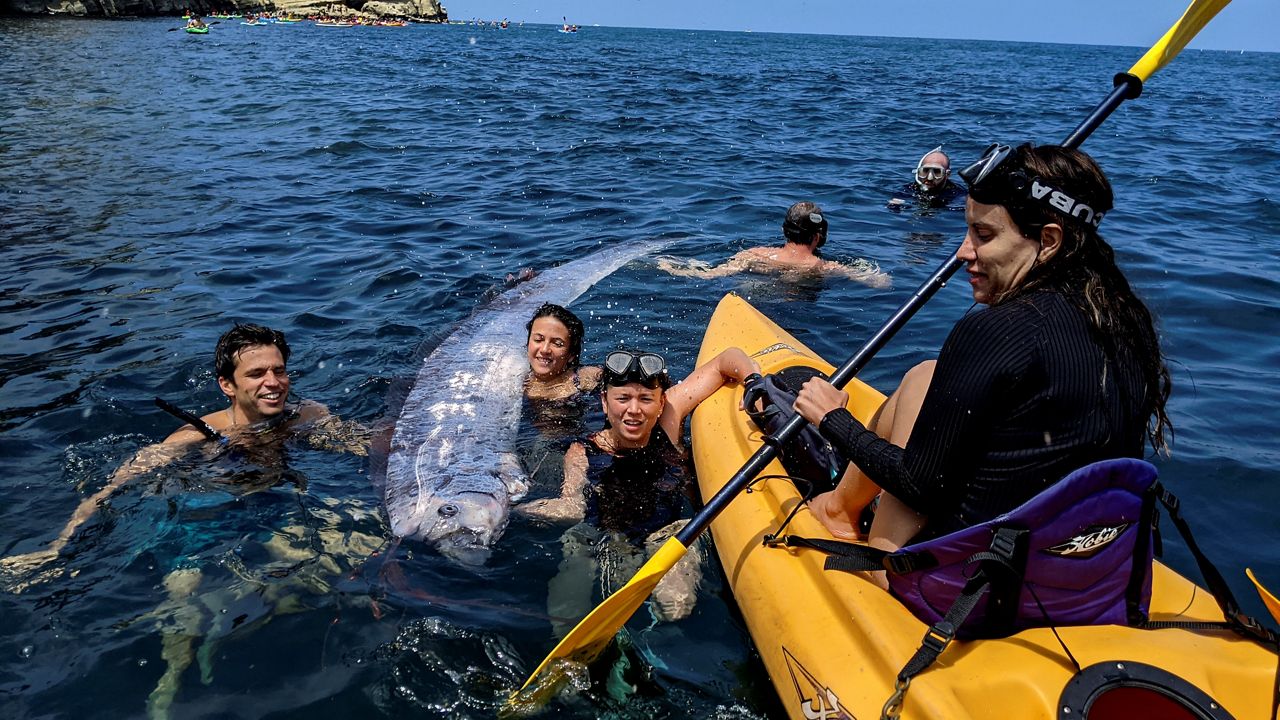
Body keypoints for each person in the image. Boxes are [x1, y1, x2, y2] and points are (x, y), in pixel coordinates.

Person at [793, 144, 1172, 587]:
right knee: (924, 375)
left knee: (913, 450)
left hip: (974, 590)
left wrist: (834, 420)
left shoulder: (998, 329)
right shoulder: (1125, 320)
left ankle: (872, 545)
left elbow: (919, 486)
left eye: (984, 235)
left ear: (1048, 241)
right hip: (1087, 575)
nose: (962, 253)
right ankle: (841, 508)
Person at [1, 323, 373, 718]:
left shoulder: (307, 415)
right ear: (227, 385)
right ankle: (172, 678)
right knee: (185, 604)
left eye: (279, 370)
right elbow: (110, 488)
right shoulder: (193, 438)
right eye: (256, 374)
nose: (273, 382)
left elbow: (362, 442)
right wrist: (58, 547)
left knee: (364, 537)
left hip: (273, 507)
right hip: (202, 519)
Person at [517, 347, 759, 630]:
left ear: (661, 403)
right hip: (600, 536)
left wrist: (753, 381)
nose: (634, 410)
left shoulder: (668, 421)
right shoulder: (581, 451)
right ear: (605, 402)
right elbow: (571, 505)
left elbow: (724, 361)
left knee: (675, 606)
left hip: (667, 533)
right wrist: (514, 511)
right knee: (569, 603)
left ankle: (651, 637)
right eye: (623, 399)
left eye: (646, 399)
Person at [657, 202, 891, 287]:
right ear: (818, 237)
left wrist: (671, 267)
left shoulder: (754, 254)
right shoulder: (826, 267)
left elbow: (710, 275)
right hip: (799, 306)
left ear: (784, 231)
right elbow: (881, 284)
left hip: (757, 290)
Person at [524, 303, 602, 403]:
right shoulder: (514, 378)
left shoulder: (582, 379)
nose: (544, 350)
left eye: (557, 343)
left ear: (571, 355)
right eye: (538, 340)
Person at [888, 146, 967, 211]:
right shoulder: (908, 189)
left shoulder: (958, 194)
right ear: (918, 172)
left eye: (937, 172)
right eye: (925, 171)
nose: (929, 178)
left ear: (947, 174)